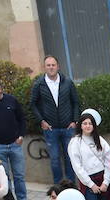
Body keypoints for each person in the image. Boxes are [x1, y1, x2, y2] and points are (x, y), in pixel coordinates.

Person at [29, 56, 80, 185]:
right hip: (50, 129)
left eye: (53, 65)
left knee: (70, 158)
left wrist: (74, 120)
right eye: (48, 65)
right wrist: (41, 121)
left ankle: (71, 185)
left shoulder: (67, 82)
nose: (51, 67)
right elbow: (33, 104)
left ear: (58, 66)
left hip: (68, 128)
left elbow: (75, 102)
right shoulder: (39, 84)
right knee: (55, 159)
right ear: (44, 67)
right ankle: (58, 187)